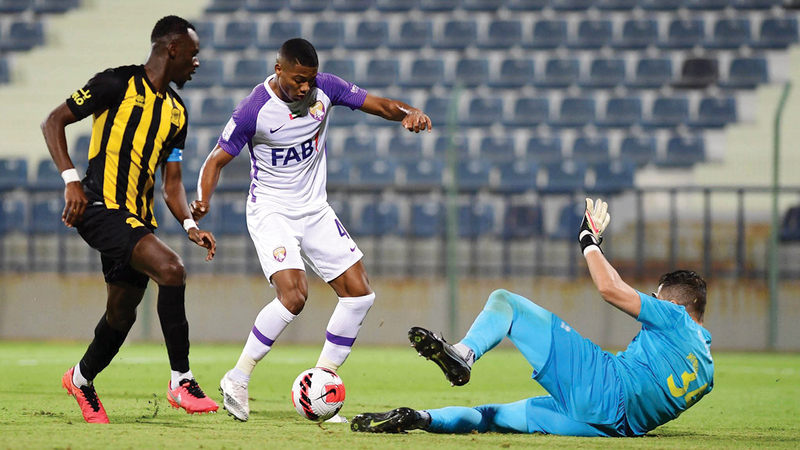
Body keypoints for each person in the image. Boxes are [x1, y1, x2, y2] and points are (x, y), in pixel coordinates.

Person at [190, 38, 431, 423]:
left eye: (310, 80)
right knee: (294, 295)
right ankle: (238, 377)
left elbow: (381, 105)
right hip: (272, 211)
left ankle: (321, 383)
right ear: (279, 70)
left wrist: (409, 112)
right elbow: (215, 160)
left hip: (315, 210)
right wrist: (202, 200)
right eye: (298, 79)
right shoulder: (254, 109)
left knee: (359, 295)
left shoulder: (326, 88)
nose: (305, 87)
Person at [351, 198, 714, 436]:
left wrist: (589, 240)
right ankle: (418, 417)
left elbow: (610, 288)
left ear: (674, 304)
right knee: (490, 417)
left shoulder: (674, 318)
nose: (653, 303)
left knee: (507, 302)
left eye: (657, 298)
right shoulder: (707, 376)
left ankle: (463, 354)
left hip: (604, 387)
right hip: (609, 426)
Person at [41, 15, 219, 424]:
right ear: (172, 48)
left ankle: (80, 379)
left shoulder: (177, 113)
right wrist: (71, 181)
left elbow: (172, 183)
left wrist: (190, 225)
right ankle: (182, 380)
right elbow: (53, 121)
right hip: (98, 207)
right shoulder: (115, 83)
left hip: (137, 218)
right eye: (193, 54)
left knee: (122, 315)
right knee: (171, 270)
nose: (196, 63)